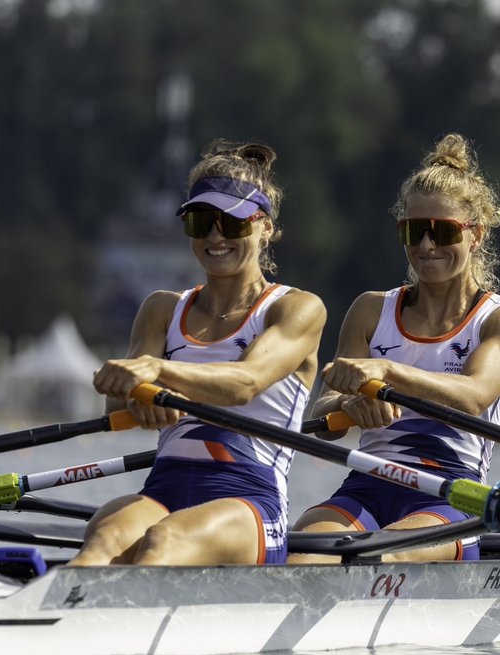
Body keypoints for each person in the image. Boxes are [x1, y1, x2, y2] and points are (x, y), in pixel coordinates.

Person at [68, 141, 325, 567]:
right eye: (202, 221)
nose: (215, 236)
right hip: (163, 489)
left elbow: (244, 385)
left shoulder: (295, 308)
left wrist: (156, 373)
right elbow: (118, 407)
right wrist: (138, 396)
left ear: (265, 227)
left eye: (232, 223)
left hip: (250, 501)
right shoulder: (162, 309)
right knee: (105, 537)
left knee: (163, 543)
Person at [291, 133, 500, 562]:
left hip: (451, 498)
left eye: (442, 232)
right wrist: (348, 401)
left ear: (474, 235)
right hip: (366, 486)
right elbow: (323, 419)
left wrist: (386, 374)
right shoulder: (370, 310)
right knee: (304, 555)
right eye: (414, 230)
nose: (426, 246)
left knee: (381, 556)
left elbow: (474, 396)